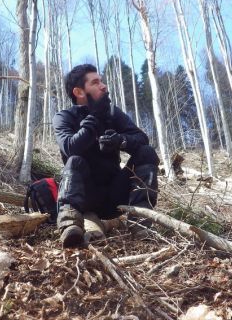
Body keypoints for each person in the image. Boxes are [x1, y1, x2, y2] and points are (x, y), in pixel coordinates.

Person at [52, 64, 159, 248]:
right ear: (79, 92)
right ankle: (70, 226)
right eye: (95, 82)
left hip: (115, 196)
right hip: (85, 199)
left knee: (147, 153)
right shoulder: (64, 117)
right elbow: (70, 148)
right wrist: (91, 122)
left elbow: (142, 139)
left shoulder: (112, 113)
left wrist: (121, 141)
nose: (103, 86)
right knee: (74, 161)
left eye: (101, 81)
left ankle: (141, 223)